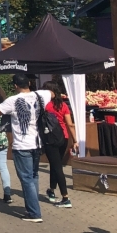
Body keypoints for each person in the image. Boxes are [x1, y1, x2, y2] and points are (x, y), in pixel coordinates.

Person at [0, 74, 51, 223]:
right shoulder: (41, 95)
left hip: (22, 144)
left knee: (26, 179)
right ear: (30, 83)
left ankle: (34, 213)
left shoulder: (13, 100)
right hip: (37, 143)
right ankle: (33, 205)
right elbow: (52, 93)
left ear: (15, 86)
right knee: (34, 176)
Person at [43, 81, 76, 209]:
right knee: (55, 164)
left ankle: (65, 197)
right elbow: (70, 124)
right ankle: (51, 190)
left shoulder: (45, 106)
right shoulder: (63, 105)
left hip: (50, 138)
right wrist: (75, 140)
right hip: (64, 138)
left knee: (57, 167)